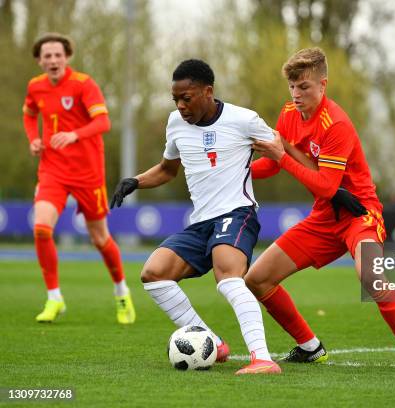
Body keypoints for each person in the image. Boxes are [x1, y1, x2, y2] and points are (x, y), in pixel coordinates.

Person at [245, 47, 395, 371]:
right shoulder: (289, 113)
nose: (296, 94)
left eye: (304, 87)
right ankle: (310, 346)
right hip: (323, 218)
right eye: (292, 86)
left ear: (323, 85)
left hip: (361, 214)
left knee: (370, 274)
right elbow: (275, 166)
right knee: (257, 278)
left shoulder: (336, 124)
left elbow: (327, 186)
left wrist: (281, 157)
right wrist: (237, 172)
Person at [110, 59, 281, 375]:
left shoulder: (244, 120)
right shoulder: (175, 123)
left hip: (237, 213)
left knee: (227, 274)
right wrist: (136, 181)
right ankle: (213, 344)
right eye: (175, 98)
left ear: (208, 92)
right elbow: (166, 170)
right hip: (201, 222)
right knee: (154, 273)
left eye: (186, 97)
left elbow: (281, 150)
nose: (180, 105)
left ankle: (263, 359)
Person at [23, 33, 135, 324]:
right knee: (41, 229)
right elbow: (28, 114)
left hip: (87, 173)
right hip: (52, 170)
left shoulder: (84, 84)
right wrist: (34, 139)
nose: (52, 60)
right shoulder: (35, 86)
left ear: (67, 57)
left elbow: (103, 121)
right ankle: (54, 298)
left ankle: (122, 292)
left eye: (57, 55)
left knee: (100, 238)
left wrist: (74, 134)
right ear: (39, 60)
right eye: (46, 56)